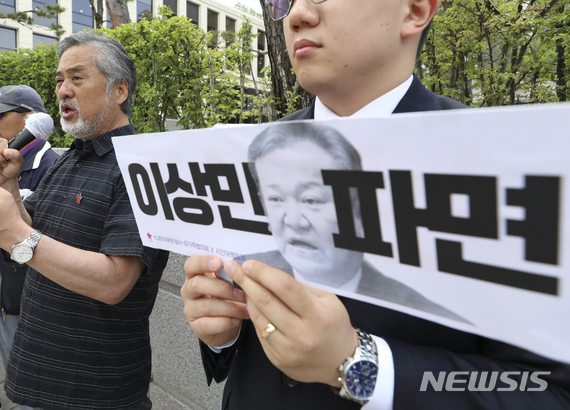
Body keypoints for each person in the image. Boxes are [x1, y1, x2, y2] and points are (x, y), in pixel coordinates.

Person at [180, 0, 570, 407]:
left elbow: (547, 390)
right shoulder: (246, 152)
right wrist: (221, 329)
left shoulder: (507, 171)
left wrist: (360, 364)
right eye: (286, 1)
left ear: (416, 11)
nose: (297, 15)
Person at [0, 31, 170, 410]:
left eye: (77, 78)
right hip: (40, 371)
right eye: (59, 80)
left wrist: (11, 236)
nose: (62, 90)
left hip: (96, 388)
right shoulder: (70, 158)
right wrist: (8, 184)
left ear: (119, 91)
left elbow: (114, 282)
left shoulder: (142, 167)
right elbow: (32, 224)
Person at [245, 122, 465, 321]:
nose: (293, 220)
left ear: (358, 206)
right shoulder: (241, 271)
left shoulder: (427, 314)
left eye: (311, 199)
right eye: (275, 199)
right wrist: (224, 340)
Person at [0, 85, 58, 410]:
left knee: (35, 378)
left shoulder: (51, 168)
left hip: (27, 287)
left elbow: (39, 242)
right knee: (11, 364)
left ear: (31, 120)